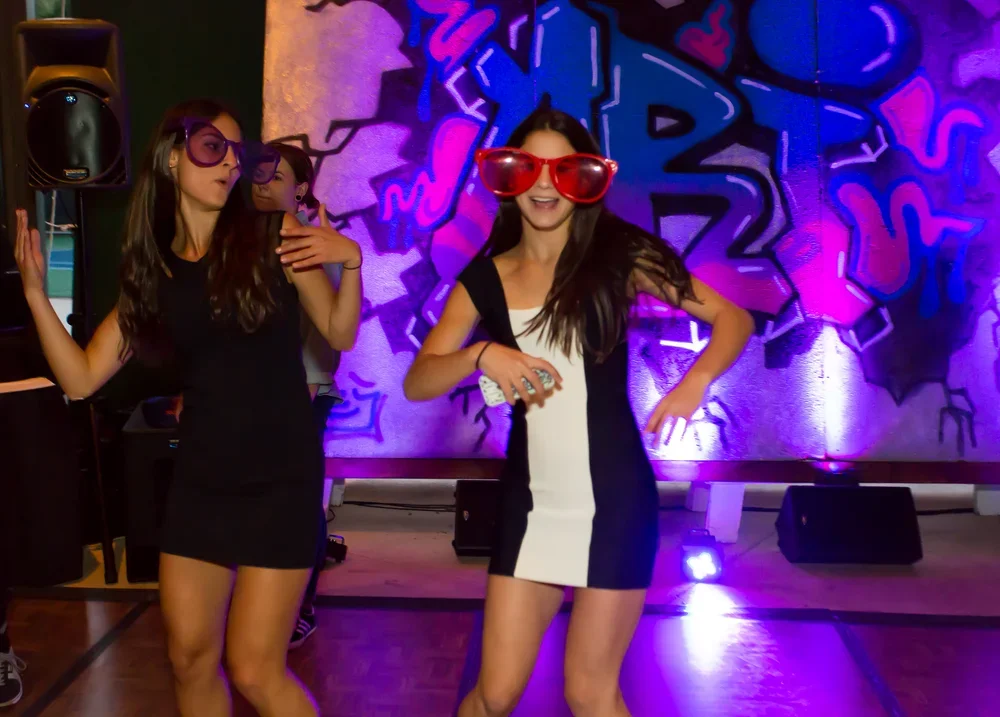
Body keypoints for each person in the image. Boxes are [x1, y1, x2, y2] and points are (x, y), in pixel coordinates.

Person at [13, 98, 362, 717]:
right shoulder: (153, 273)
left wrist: (352, 262)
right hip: (202, 481)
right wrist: (38, 295)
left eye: (236, 152)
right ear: (172, 158)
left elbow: (339, 332)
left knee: (255, 670)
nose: (229, 163)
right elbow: (82, 377)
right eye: (211, 147)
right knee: (189, 658)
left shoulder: (274, 235)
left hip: (281, 478)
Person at [403, 104, 754, 717]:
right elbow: (418, 382)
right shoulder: (484, 279)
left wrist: (695, 381)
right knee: (493, 695)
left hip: (615, 502)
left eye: (563, 170)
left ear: (586, 179)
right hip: (531, 503)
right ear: (507, 177)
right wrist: (480, 354)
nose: (545, 185)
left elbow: (733, 318)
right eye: (530, 168)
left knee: (590, 694)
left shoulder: (621, 255)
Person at [252, 141, 361, 649]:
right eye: (257, 175)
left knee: (296, 504)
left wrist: (309, 383)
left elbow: (333, 330)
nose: (262, 185)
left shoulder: (314, 242)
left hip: (303, 391)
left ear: (299, 189)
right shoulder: (246, 240)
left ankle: (301, 606)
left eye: (276, 177)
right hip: (256, 394)